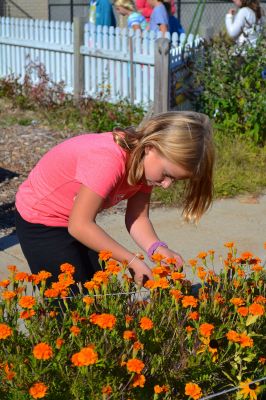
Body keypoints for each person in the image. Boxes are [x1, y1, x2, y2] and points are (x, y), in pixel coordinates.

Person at [15, 111, 214, 288]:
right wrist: (131, 260)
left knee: (98, 289)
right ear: (151, 147)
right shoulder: (108, 160)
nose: (166, 184)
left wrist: (157, 249)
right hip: (41, 222)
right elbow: (80, 226)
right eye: (166, 174)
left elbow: (138, 218)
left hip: (73, 219)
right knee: (69, 299)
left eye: (174, 180)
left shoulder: (144, 166)